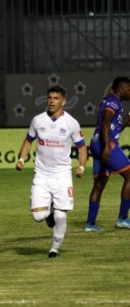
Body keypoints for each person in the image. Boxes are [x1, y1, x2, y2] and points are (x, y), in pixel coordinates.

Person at [15, 85, 87, 258]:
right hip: (41, 173)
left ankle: (54, 248)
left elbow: (82, 146)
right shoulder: (38, 120)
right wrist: (21, 159)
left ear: (63, 101)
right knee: (38, 216)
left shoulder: (71, 123)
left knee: (62, 215)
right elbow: (28, 141)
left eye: (55, 98)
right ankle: (50, 212)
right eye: (49, 98)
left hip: (62, 174)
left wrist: (81, 166)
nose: (51, 101)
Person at [84, 76, 130, 232]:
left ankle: (90, 224)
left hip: (98, 142)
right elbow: (105, 123)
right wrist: (107, 147)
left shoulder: (111, 101)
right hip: (106, 143)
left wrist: (128, 118)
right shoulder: (113, 102)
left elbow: (116, 127)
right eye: (129, 89)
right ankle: (122, 219)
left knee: (99, 183)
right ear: (120, 90)